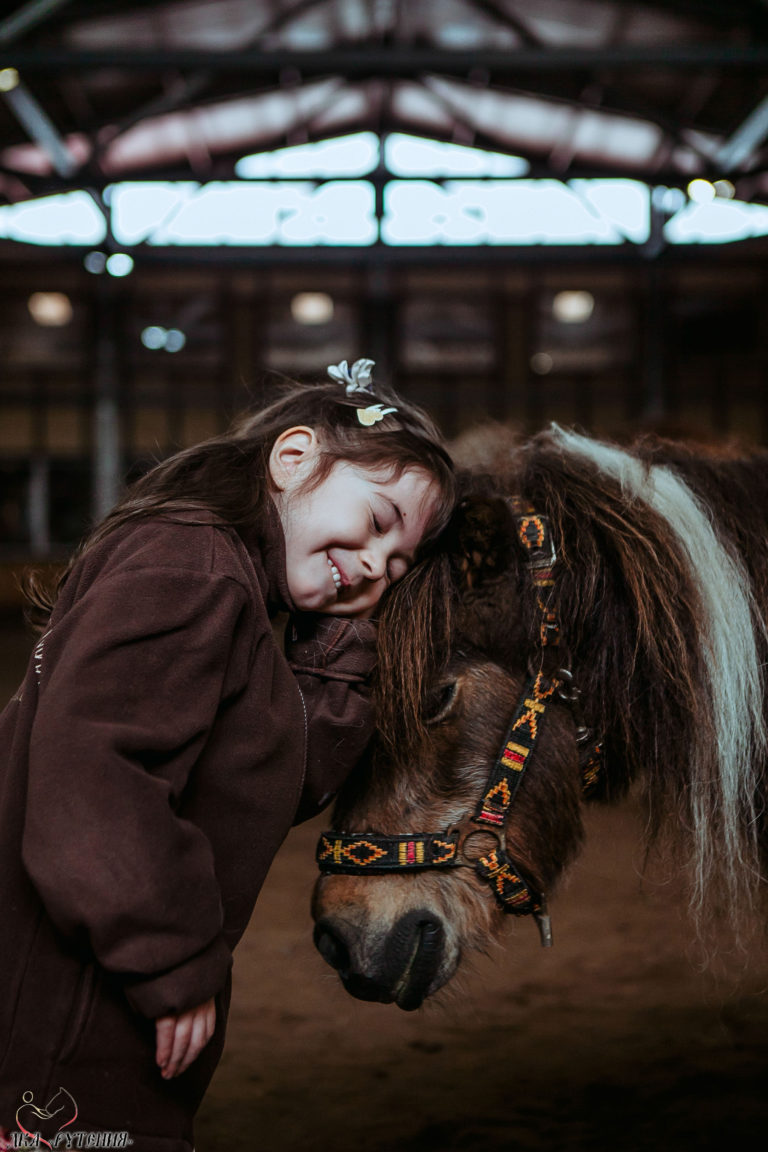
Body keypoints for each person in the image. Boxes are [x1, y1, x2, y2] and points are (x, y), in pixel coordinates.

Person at [0, 359, 455, 1152]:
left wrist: (339, 644)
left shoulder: (232, 586)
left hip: (94, 985)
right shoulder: (193, 568)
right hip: (62, 1001)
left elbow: (280, 783)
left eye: (399, 564)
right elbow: (95, 784)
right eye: (380, 521)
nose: (379, 566)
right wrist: (170, 965)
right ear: (293, 459)